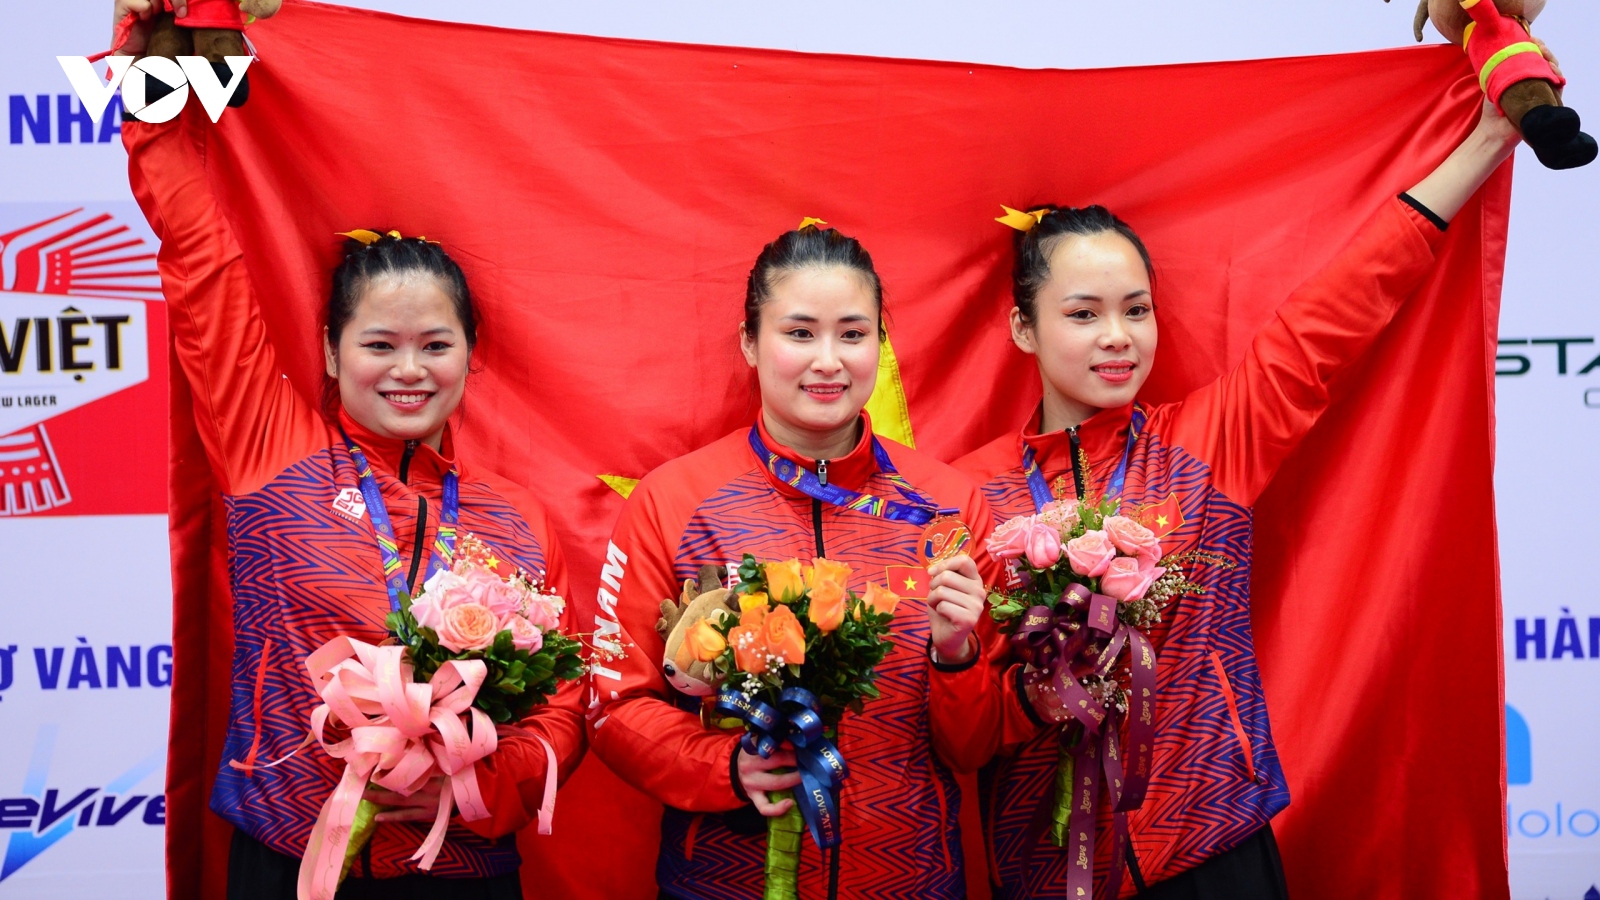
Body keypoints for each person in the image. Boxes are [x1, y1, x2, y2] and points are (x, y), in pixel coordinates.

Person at [948, 95, 1526, 898]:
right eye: (1083, 314)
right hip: (1051, 868)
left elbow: (1341, 308)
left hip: (1211, 846)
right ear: (1022, 329)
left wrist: (1491, 138)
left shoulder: (1210, 440)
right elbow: (961, 727)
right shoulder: (971, 495)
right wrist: (1034, 685)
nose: (1118, 336)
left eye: (1136, 310)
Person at [114, 3, 586, 897]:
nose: (408, 371)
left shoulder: (517, 520)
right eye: (379, 345)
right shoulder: (271, 450)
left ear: (469, 359)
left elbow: (564, 707)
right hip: (288, 862)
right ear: (332, 353)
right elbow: (196, 253)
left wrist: (487, 777)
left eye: (435, 346)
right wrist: (158, 51)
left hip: (463, 869)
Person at [583, 222, 1000, 900]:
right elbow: (614, 705)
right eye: (800, 333)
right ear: (751, 341)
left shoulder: (949, 508)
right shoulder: (676, 500)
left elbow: (975, 748)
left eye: (854, 334)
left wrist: (956, 655)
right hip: (724, 882)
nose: (829, 361)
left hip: (913, 881)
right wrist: (727, 769)